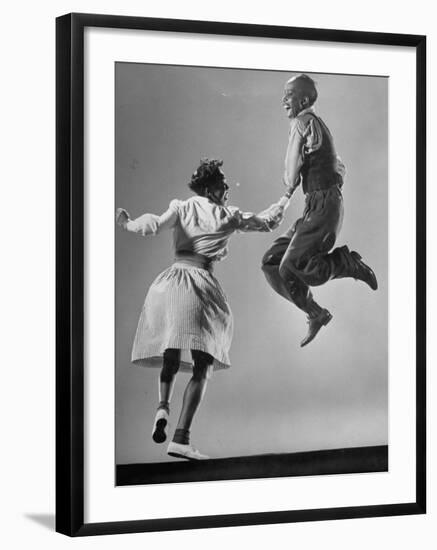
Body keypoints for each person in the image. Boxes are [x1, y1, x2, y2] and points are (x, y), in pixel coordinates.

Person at [116, 159, 290, 460]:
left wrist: (128, 223)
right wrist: (286, 197)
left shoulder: (182, 207)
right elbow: (267, 222)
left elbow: (154, 224)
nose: (227, 189)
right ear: (211, 188)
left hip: (169, 283)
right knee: (203, 363)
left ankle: (162, 408)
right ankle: (181, 438)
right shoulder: (227, 215)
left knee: (172, 347)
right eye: (223, 185)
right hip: (200, 285)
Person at [261, 74, 378, 347]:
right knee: (271, 263)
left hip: (324, 207)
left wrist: (290, 194)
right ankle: (316, 314)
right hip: (317, 205)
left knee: (292, 265)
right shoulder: (317, 125)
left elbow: (291, 176)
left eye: (288, 95)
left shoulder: (302, 123)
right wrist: (289, 200)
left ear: (303, 99)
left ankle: (345, 263)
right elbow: (339, 166)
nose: (283, 101)